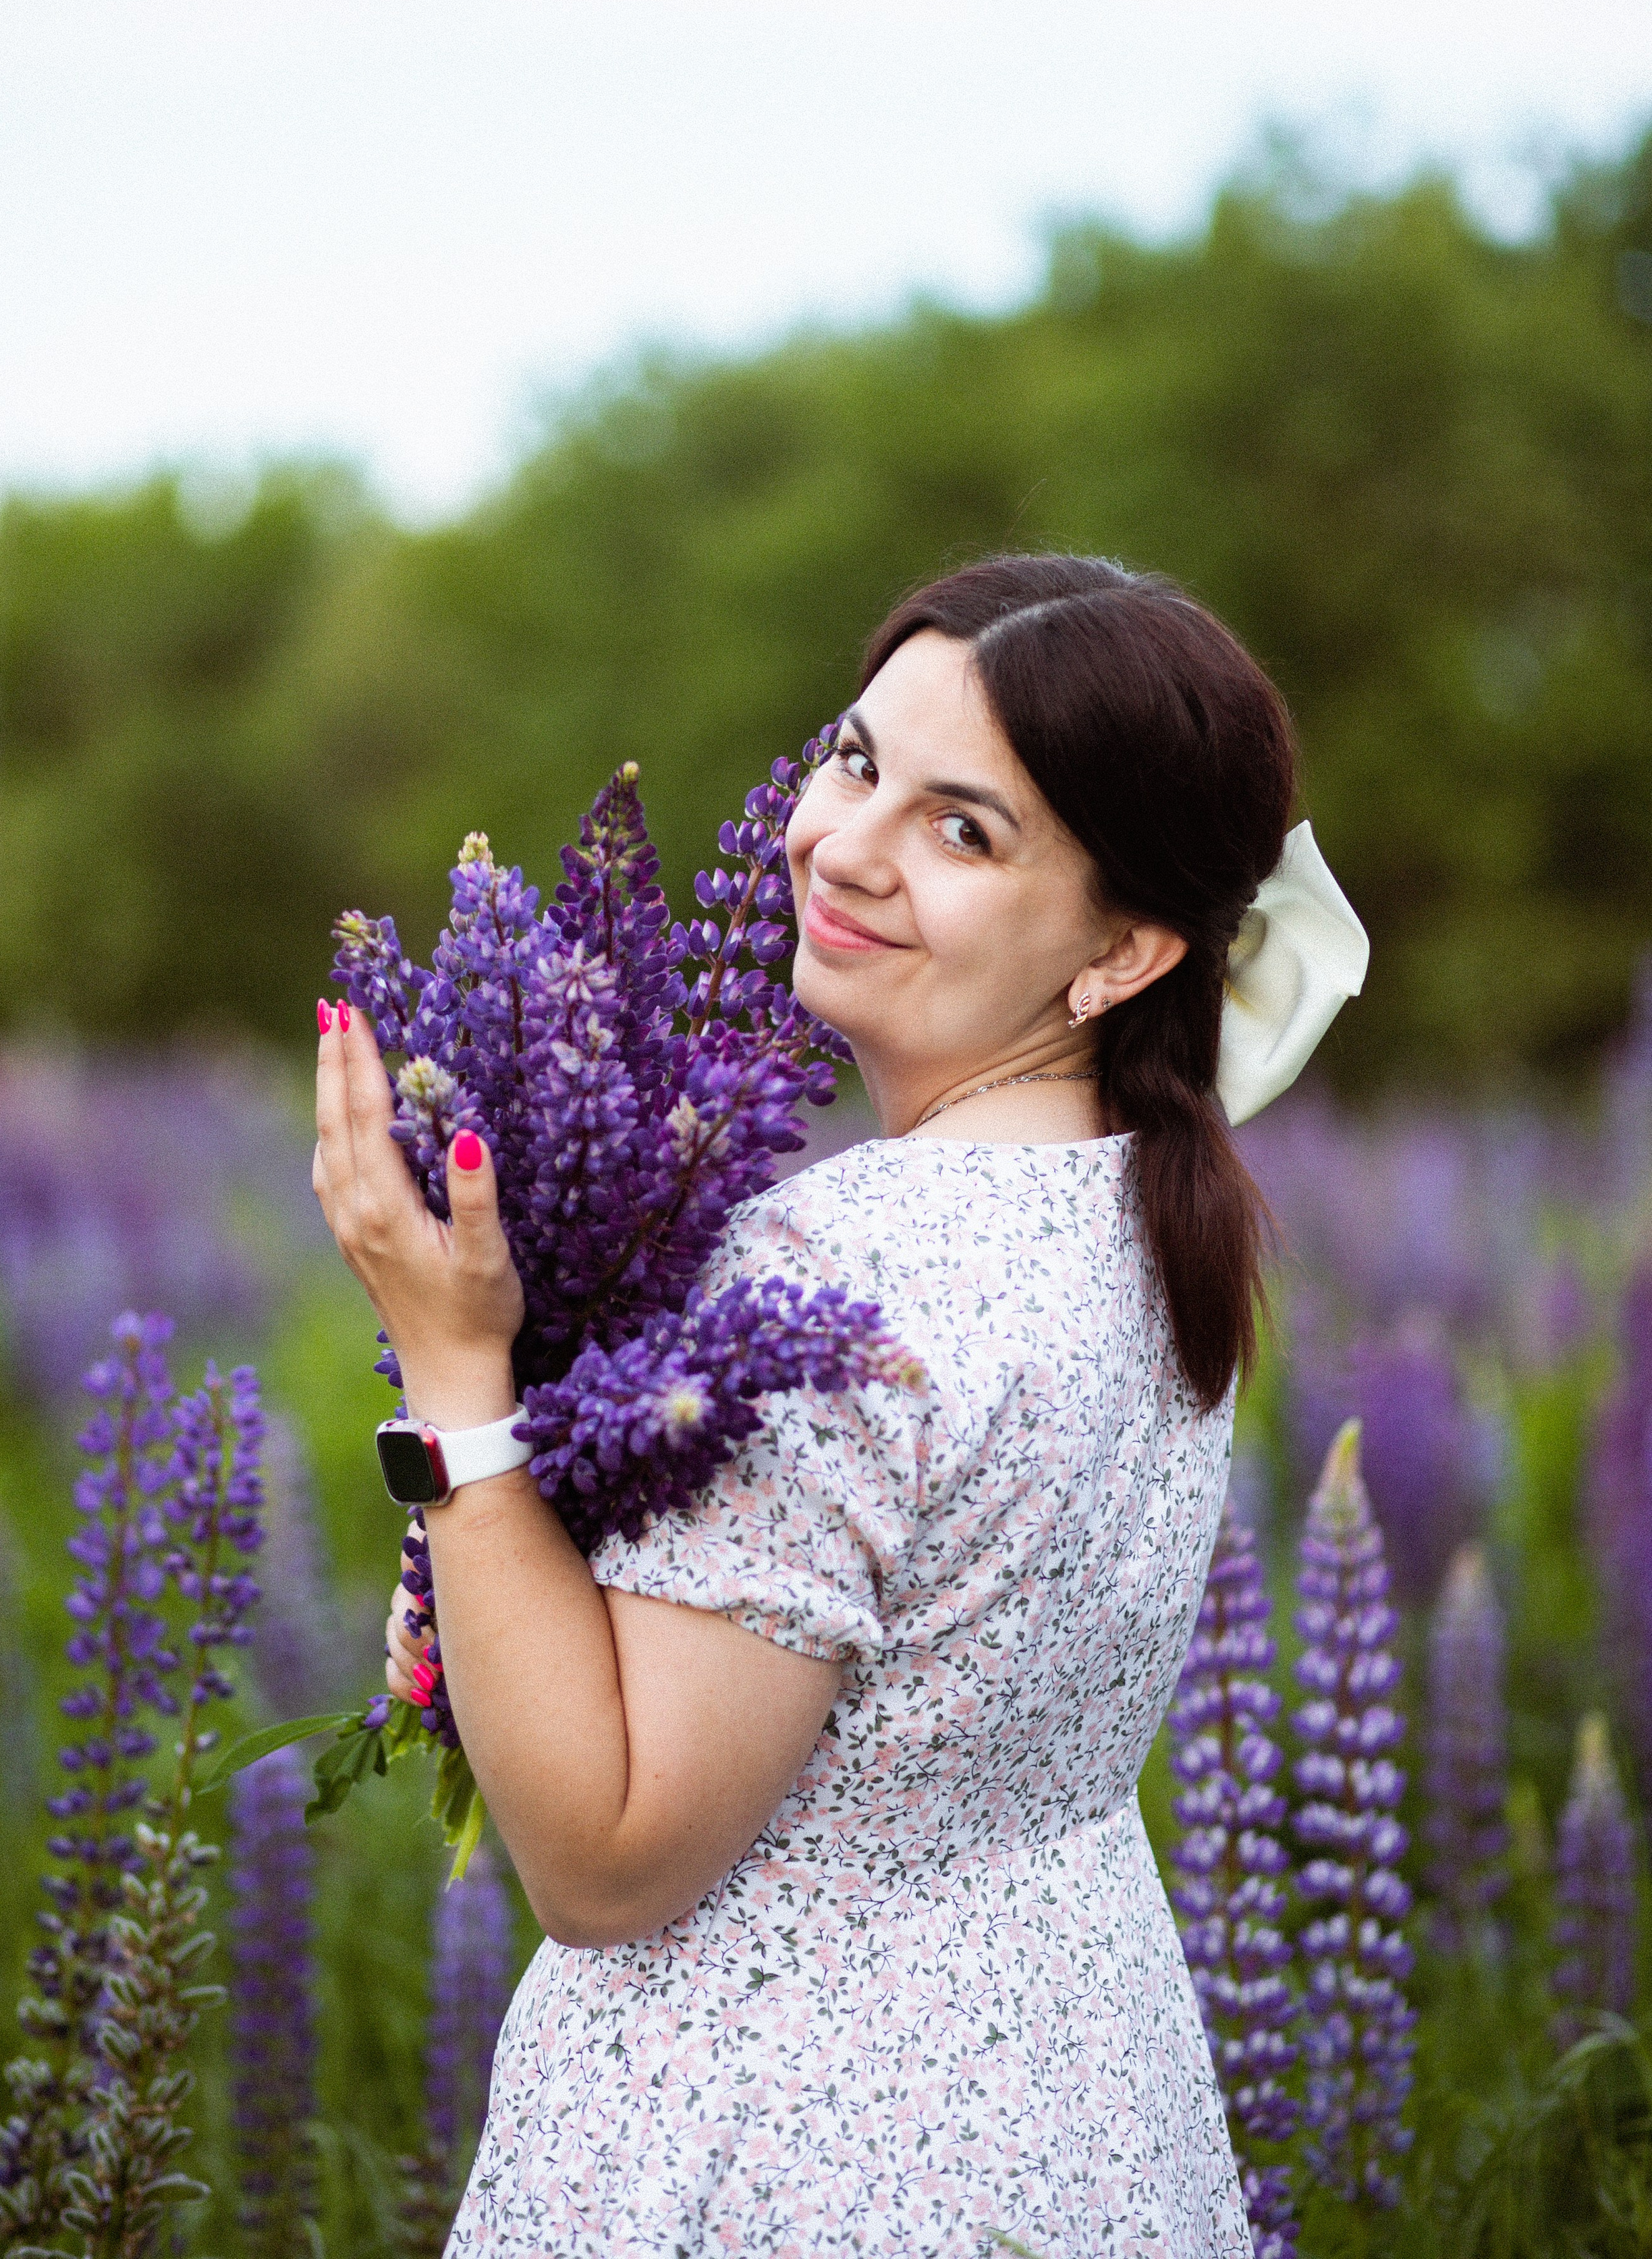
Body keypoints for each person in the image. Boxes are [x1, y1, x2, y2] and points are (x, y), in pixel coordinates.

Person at [312, 552, 1356, 2257]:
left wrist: (453, 1383)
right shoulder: (1147, 1212)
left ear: (1120, 951)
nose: (845, 845)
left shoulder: (827, 1281)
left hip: (775, 2152)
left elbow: (606, 1857)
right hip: (1077, 2122)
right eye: (856, 761)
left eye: (963, 830)